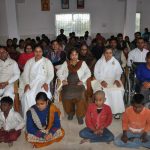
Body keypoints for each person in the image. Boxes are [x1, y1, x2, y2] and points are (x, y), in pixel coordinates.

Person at [57, 48, 91, 124]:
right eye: (72, 54)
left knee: (81, 95)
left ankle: (80, 115)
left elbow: (88, 73)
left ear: (78, 55)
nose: (74, 56)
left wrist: (82, 80)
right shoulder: (66, 63)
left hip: (79, 83)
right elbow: (59, 72)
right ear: (70, 55)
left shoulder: (82, 63)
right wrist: (63, 80)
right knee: (65, 95)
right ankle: (70, 113)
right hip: (68, 83)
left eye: (76, 54)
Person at [21, 45, 54, 119]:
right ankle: (28, 117)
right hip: (32, 82)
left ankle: (43, 118)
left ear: (42, 52)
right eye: (36, 51)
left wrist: (46, 82)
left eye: (40, 51)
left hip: (43, 82)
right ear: (34, 52)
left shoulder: (47, 61)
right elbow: (25, 74)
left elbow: (51, 74)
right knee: (27, 95)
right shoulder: (29, 62)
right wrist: (26, 84)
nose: (38, 53)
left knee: (43, 94)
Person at [92, 46, 125, 119]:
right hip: (100, 80)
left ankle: (116, 111)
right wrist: (102, 81)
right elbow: (96, 73)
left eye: (110, 53)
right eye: (106, 53)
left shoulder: (115, 61)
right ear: (104, 53)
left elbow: (118, 73)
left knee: (117, 91)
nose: (108, 55)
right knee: (102, 91)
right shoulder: (99, 61)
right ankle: (103, 111)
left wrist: (117, 79)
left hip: (113, 80)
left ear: (112, 53)